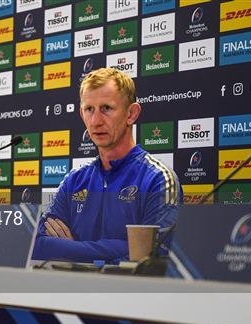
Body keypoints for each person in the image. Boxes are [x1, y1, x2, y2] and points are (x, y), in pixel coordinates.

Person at [32, 68, 182, 263]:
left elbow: (153, 256)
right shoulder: (74, 180)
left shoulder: (158, 179)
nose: (95, 121)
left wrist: (71, 251)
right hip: (70, 293)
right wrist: (121, 247)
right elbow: (37, 245)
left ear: (131, 114)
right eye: (89, 110)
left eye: (107, 109)